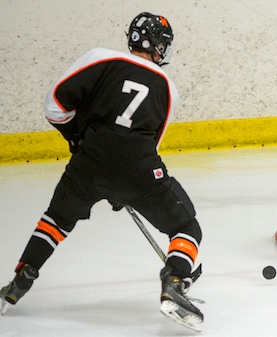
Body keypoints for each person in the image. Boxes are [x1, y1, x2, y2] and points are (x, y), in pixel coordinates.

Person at [0, 12, 204, 331]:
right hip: (139, 168)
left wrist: (78, 138)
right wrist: (127, 188)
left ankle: (20, 280)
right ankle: (176, 281)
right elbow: (150, 144)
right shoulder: (167, 86)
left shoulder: (100, 58)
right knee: (187, 227)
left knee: (56, 221)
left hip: (89, 162)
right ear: (155, 45)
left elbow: (55, 105)